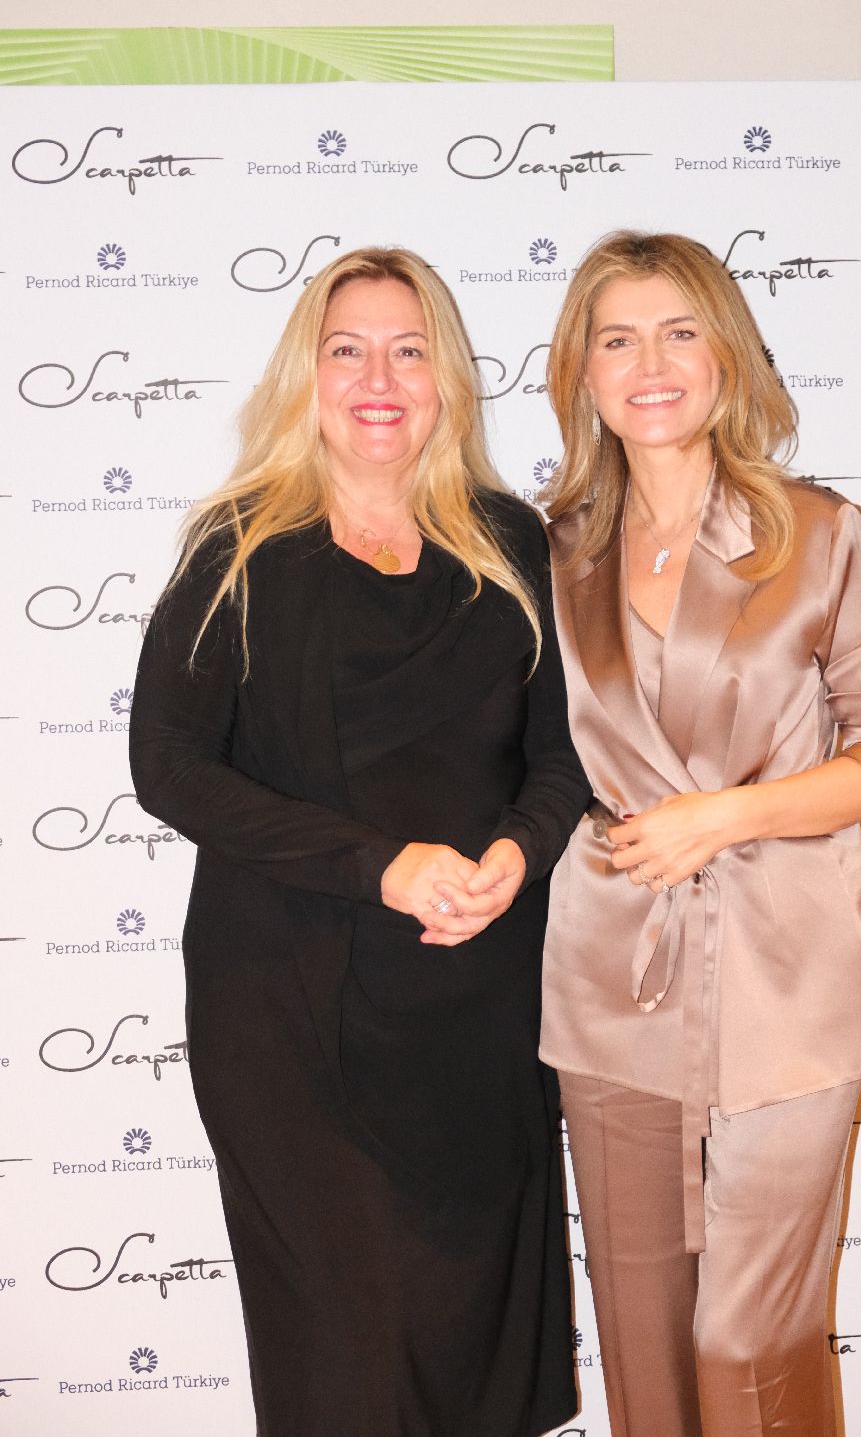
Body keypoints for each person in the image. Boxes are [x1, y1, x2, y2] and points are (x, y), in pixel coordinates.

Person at [129, 247, 589, 1437]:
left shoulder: (510, 542)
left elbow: (563, 755)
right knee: (344, 1355)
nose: (378, 380)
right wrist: (380, 866)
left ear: (446, 379)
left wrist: (517, 854)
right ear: (308, 375)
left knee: (471, 1346)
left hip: (477, 1010)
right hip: (288, 1017)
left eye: (407, 350)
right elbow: (168, 766)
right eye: (348, 351)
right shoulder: (239, 548)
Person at [539, 231, 861, 1436]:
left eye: (679, 332)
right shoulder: (548, 551)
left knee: (745, 1336)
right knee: (644, 1328)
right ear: (583, 373)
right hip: (612, 971)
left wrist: (727, 816)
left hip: (792, 973)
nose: (649, 364)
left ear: (726, 354)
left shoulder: (817, 531)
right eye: (617, 340)